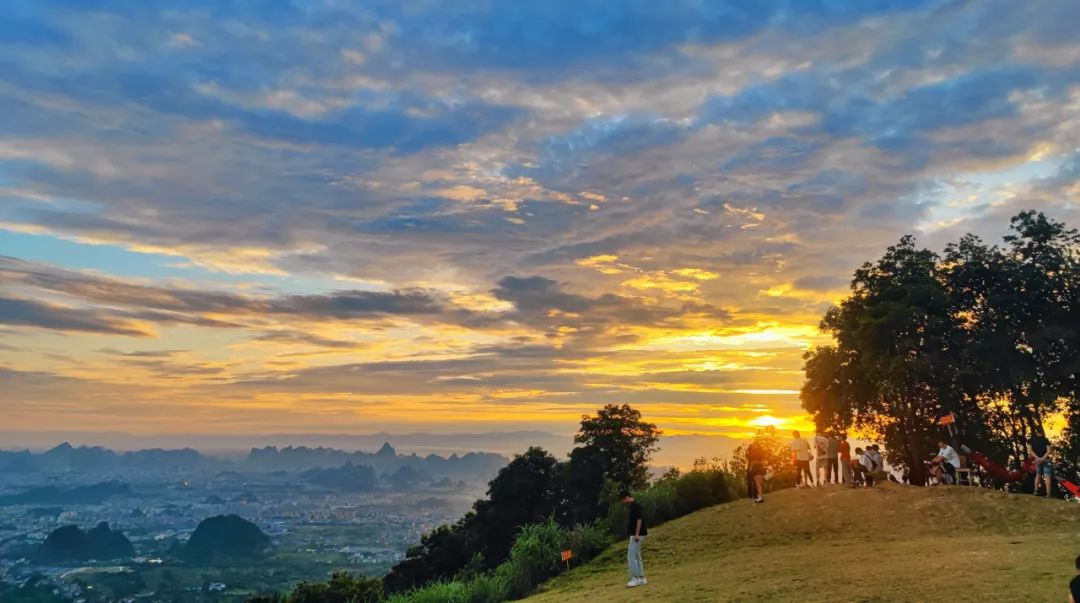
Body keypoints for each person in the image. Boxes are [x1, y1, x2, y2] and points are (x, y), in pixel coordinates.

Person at [621, 490, 648, 587]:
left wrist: (636, 534)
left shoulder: (635, 506)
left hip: (638, 534)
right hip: (637, 534)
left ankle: (635, 578)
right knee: (637, 555)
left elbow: (639, 520)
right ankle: (641, 578)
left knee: (631, 555)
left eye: (623, 500)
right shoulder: (633, 506)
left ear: (627, 497)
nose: (624, 502)